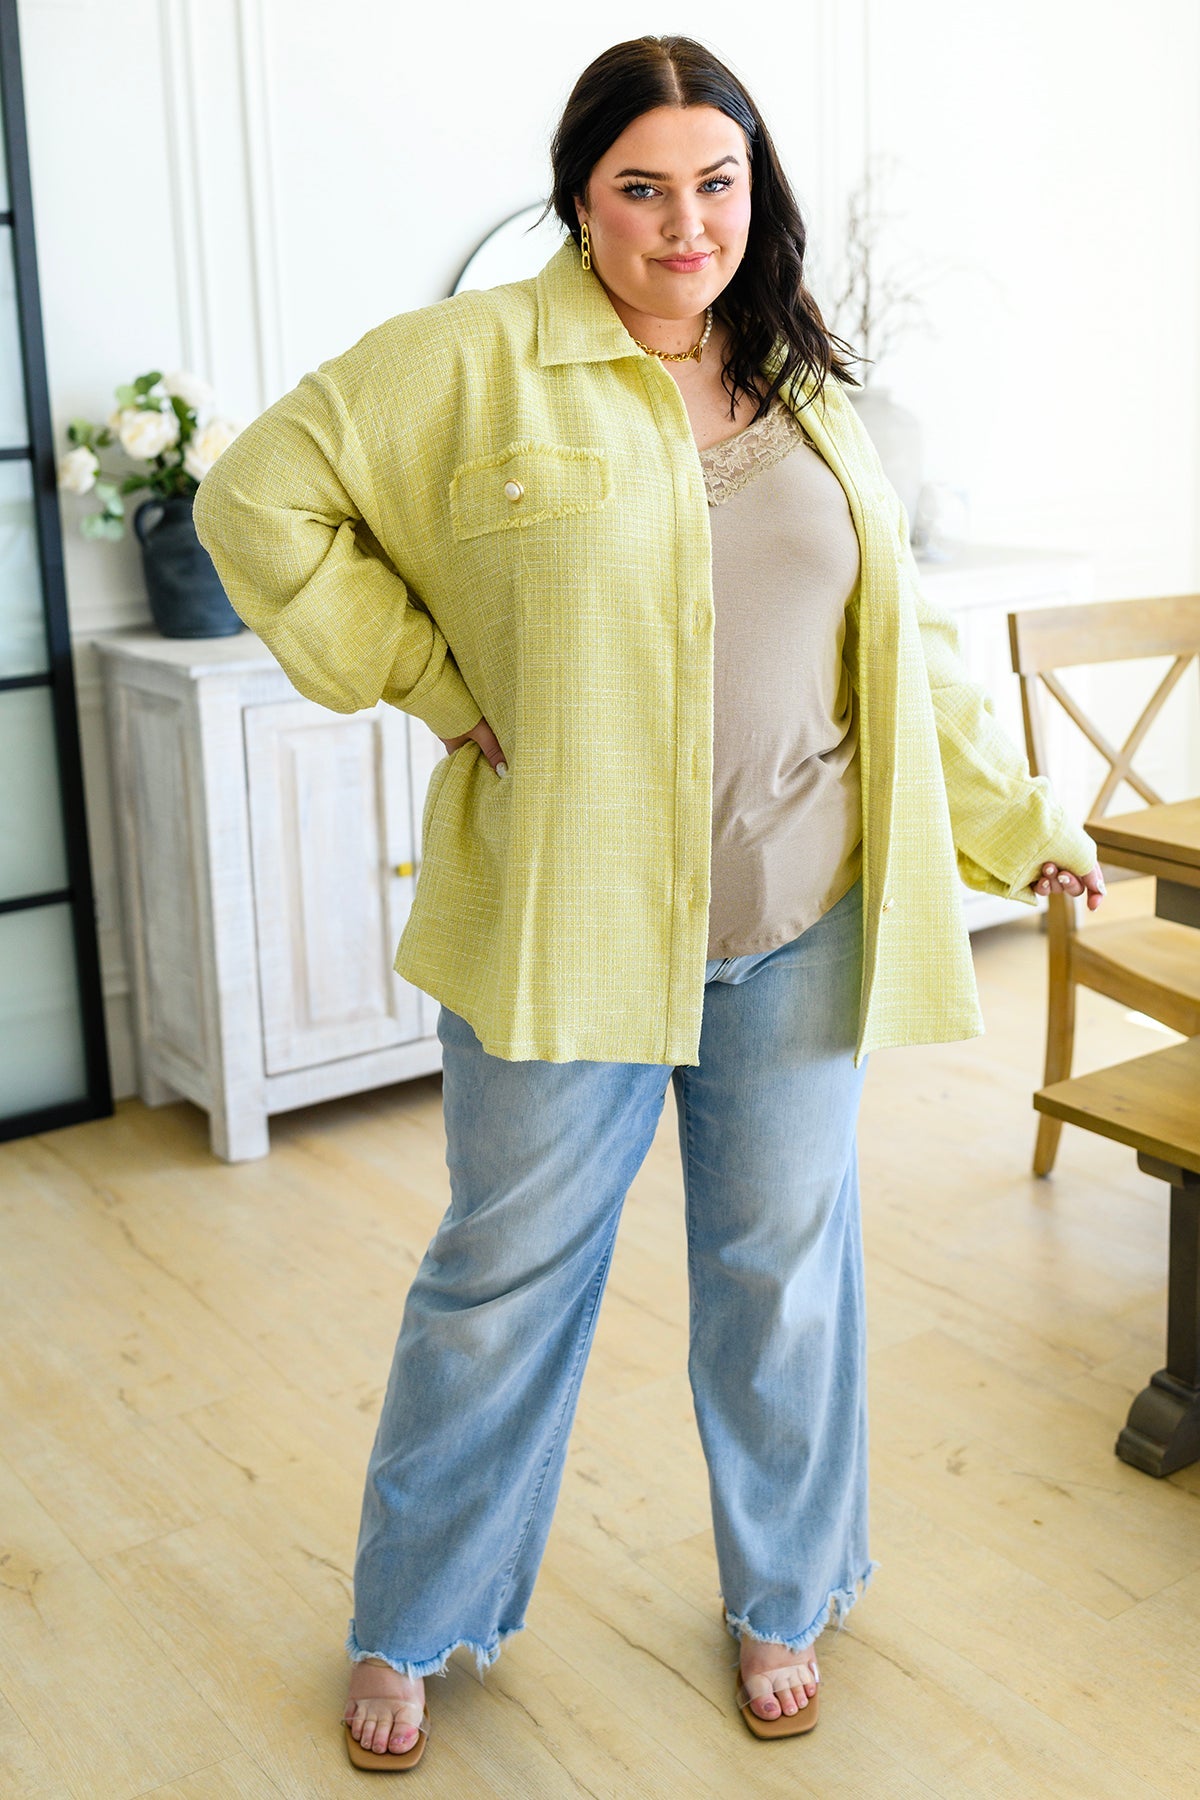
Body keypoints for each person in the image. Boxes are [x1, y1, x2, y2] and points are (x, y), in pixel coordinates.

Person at [193, 34, 1105, 1772]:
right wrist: (429, 675)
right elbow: (257, 499)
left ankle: (788, 1589)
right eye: (643, 187)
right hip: (570, 934)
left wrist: (1019, 818)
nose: (687, 224)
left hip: (800, 924)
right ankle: (412, 1614)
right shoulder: (473, 361)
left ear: (756, 194)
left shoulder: (809, 387)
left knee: (783, 1279)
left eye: (718, 182)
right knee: (500, 1279)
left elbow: (896, 648)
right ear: (580, 199)